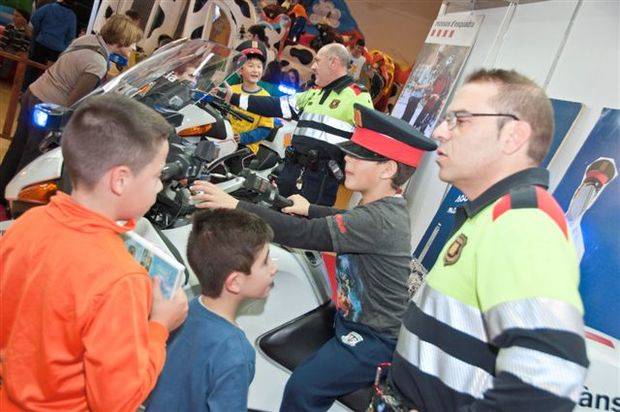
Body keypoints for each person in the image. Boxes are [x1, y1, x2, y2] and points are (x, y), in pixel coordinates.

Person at [189, 103, 437, 411]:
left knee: (304, 387)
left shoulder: (379, 219)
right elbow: (346, 218)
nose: (347, 158)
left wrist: (235, 207)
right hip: (357, 322)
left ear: (387, 169)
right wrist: (310, 209)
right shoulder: (384, 208)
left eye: (360, 156)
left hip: (374, 338)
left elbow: (305, 235)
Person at [382, 69, 589, 411]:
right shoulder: (491, 214)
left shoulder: (522, 220)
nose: (439, 132)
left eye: (460, 120)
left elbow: (548, 378)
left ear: (512, 136)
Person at [0, 94, 189, 410]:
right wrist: (159, 326)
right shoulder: (122, 279)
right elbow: (116, 400)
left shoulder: (28, 223)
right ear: (120, 180)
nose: (159, 186)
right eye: (157, 175)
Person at [0, 14, 143, 209]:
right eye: (132, 43)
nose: (133, 48)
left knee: (17, 147)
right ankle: (14, 204)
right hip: (48, 107)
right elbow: (75, 103)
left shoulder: (87, 40)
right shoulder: (98, 63)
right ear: (121, 41)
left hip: (34, 93)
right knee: (31, 158)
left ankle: (2, 192)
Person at [146, 208, 277, 411]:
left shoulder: (180, 312)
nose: (273, 268)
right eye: (266, 261)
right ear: (234, 282)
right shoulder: (235, 352)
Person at [222, 43, 373, 206]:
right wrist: (234, 98)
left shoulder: (358, 97)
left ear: (333, 62)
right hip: (291, 174)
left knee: (304, 228)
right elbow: (273, 105)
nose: (313, 67)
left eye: (317, 61)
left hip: (319, 182)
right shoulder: (313, 93)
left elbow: (367, 146)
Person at [229, 40, 275, 154]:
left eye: (259, 66)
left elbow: (265, 129)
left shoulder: (266, 97)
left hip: (246, 147)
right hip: (226, 138)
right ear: (240, 70)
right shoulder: (232, 90)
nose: (255, 70)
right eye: (250, 66)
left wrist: (243, 138)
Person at [22, 0, 76, 89]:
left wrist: (39, 30)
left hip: (41, 42)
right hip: (56, 49)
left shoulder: (49, 7)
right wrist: (63, 45)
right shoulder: (72, 16)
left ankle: (25, 90)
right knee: (49, 73)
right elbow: (71, 36)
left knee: (32, 69)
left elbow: (35, 18)